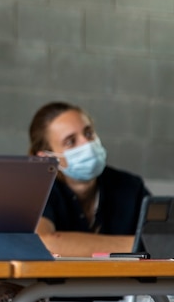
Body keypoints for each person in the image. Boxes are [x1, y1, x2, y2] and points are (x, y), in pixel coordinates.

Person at [28, 101, 151, 257]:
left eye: (88, 133)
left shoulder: (130, 187)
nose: (86, 143)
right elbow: (43, 242)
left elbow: (167, 238)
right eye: (70, 141)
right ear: (47, 157)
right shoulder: (38, 189)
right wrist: (140, 244)